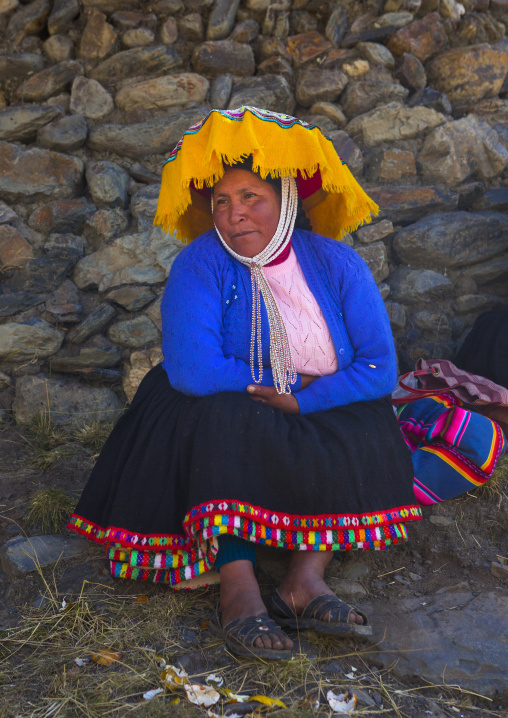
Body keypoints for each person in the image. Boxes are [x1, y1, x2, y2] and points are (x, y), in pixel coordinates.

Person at [68, 107, 422, 660]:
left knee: (370, 419)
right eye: (222, 203)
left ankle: (304, 581)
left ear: (286, 200)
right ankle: (238, 588)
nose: (234, 215)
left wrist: (305, 399)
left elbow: (378, 366)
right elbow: (194, 369)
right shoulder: (200, 265)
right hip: (222, 407)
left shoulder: (337, 264)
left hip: (310, 402)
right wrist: (279, 386)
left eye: (251, 197)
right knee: (226, 417)